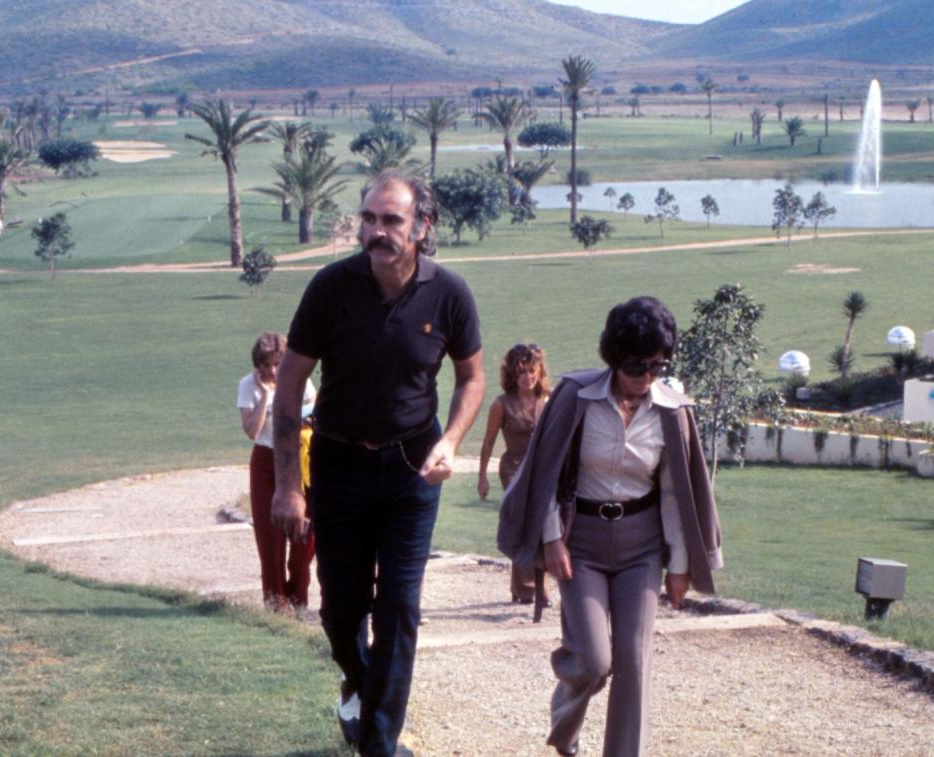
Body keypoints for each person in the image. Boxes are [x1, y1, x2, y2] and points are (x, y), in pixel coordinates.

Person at [271, 171, 484, 757]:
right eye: (369, 218)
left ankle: (379, 745)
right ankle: (360, 682)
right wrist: (288, 486)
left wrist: (454, 441)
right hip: (338, 467)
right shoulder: (330, 287)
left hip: (413, 469)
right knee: (340, 609)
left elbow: (472, 378)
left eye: (391, 220)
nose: (376, 231)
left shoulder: (450, 295)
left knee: (398, 607)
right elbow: (290, 383)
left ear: (422, 226)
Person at [497, 296, 723, 757]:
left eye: (658, 366)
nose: (646, 377)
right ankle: (566, 720)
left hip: (642, 546)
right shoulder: (576, 397)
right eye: (637, 366)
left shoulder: (672, 412)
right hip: (581, 542)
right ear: (615, 357)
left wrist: (679, 565)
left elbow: (677, 496)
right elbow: (546, 473)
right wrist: (552, 538)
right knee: (594, 661)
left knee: (634, 664)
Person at [237, 331, 317, 609]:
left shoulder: (302, 382)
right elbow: (251, 430)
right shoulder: (248, 385)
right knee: (269, 537)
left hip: (297, 458)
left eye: (276, 364)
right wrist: (267, 396)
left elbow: (313, 418)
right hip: (265, 460)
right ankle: (275, 604)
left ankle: (298, 600)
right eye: (265, 364)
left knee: (302, 536)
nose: (271, 370)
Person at [478, 343, 551, 606]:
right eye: (521, 372)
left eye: (532, 371)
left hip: (542, 470)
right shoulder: (502, 404)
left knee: (545, 525)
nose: (527, 377)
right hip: (514, 469)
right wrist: (482, 477)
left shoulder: (548, 400)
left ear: (539, 371)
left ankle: (537, 585)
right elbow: (487, 442)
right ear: (512, 374)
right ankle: (528, 588)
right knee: (524, 523)